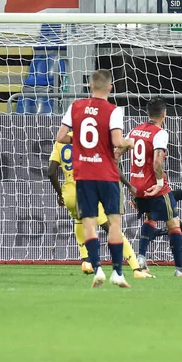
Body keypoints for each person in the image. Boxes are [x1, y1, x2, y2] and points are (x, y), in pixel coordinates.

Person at [55, 69, 134, 288]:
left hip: (84, 175)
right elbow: (117, 141)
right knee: (114, 223)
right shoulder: (113, 111)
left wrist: (77, 140)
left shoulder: (75, 107)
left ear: (90, 86)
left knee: (89, 223)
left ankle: (97, 268)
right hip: (107, 175)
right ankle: (118, 272)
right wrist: (129, 143)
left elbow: (61, 137)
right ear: (110, 88)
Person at [47, 132, 154, 279]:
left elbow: (51, 171)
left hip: (69, 194)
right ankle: (136, 269)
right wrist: (128, 185)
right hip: (87, 190)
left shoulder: (60, 141)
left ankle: (85, 260)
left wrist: (60, 194)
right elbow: (111, 166)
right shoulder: (90, 140)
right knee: (113, 229)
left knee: (79, 219)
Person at [118, 97, 182, 278]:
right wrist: (160, 183)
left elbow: (116, 155)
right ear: (164, 114)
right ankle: (180, 269)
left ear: (148, 112)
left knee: (150, 219)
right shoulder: (160, 133)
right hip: (155, 188)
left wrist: (128, 184)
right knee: (174, 224)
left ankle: (142, 258)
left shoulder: (134, 130)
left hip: (137, 187)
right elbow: (157, 160)